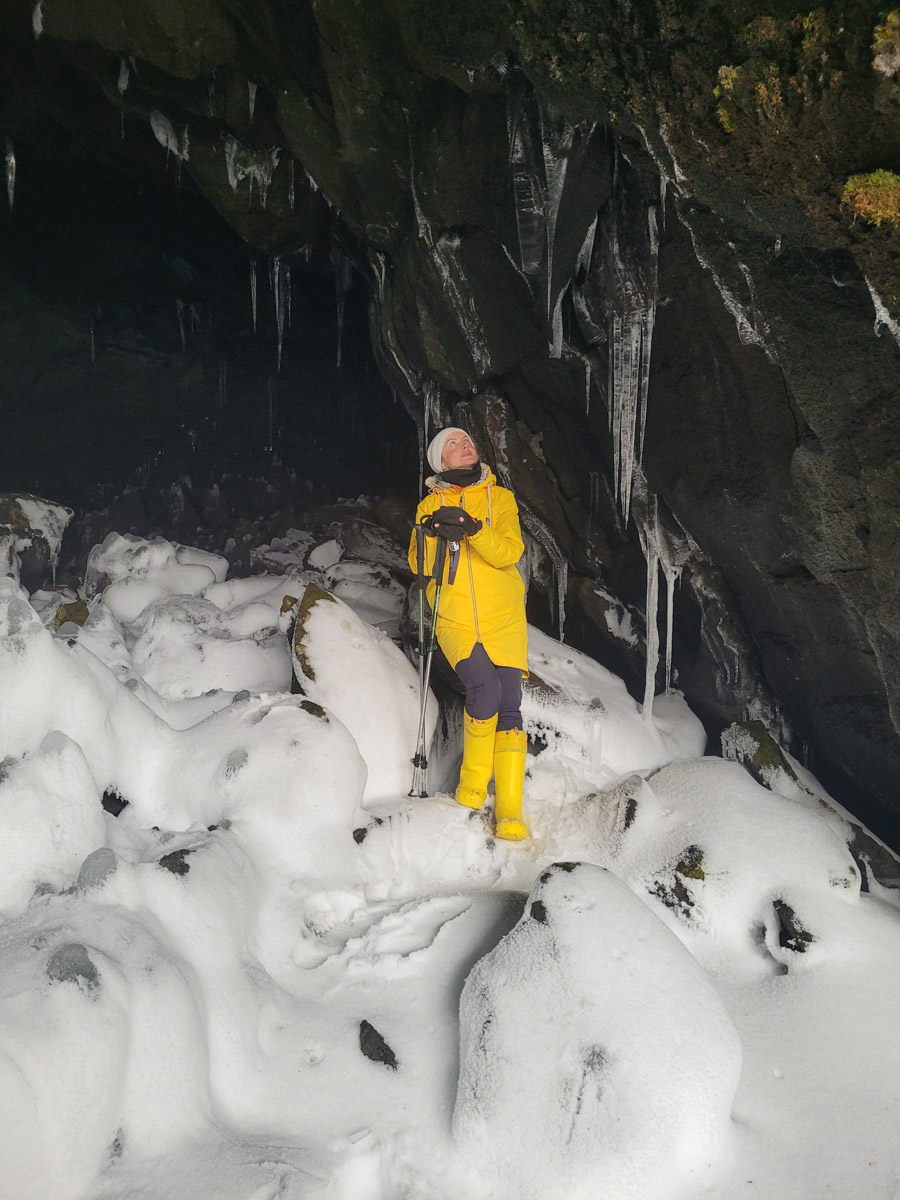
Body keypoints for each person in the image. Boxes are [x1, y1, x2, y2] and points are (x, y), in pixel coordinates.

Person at [408, 426, 529, 840]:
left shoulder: (502, 499)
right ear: (441, 461)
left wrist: (473, 528)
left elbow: (510, 552)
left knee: (510, 705)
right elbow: (421, 567)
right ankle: (472, 790)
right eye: (453, 444)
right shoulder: (429, 503)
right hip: (455, 617)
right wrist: (433, 532)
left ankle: (511, 810)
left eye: (468, 441)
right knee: (485, 691)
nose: (465, 447)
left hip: (505, 616)